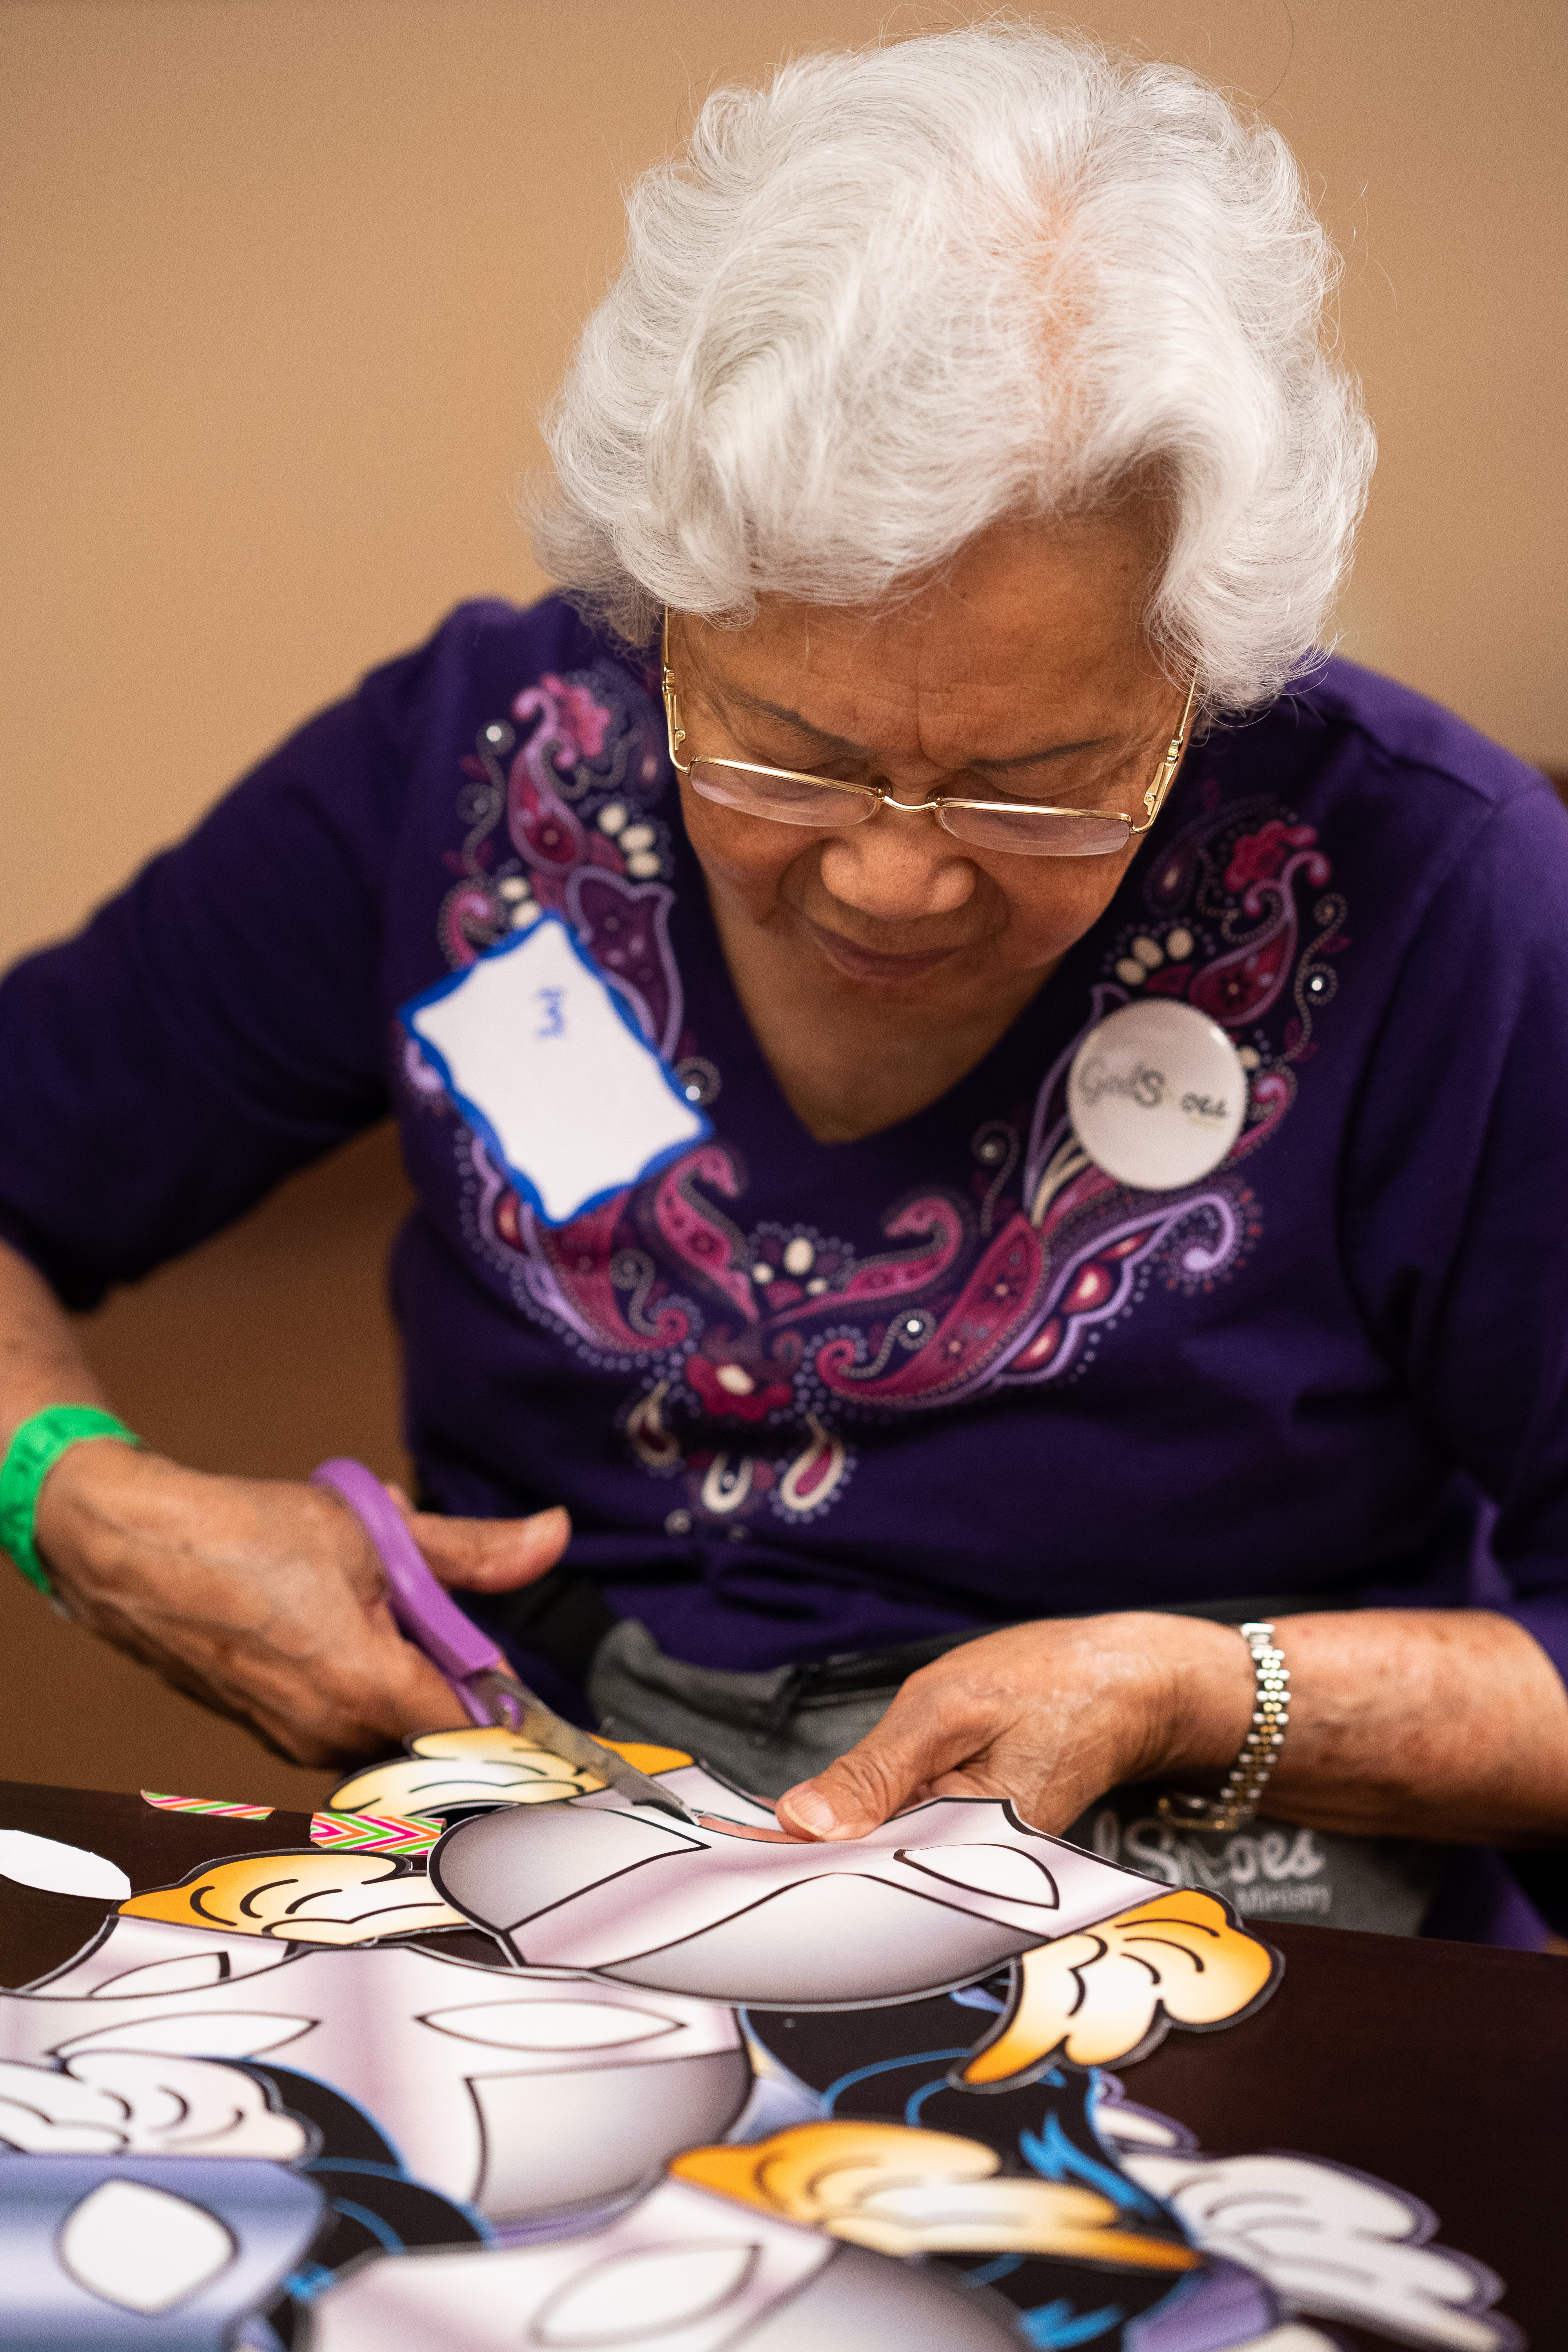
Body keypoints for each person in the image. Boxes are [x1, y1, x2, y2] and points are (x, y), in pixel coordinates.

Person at [1, 23, 1564, 1944]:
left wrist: (1199, 1695)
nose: (894, 874)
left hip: (1231, 1869)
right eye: (787, 755)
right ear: (656, 606)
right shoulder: (480, 768)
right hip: (570, 1834)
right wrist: (75, 1497)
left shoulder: (1441, 888)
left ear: (1205, 676)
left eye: (1034, 783)